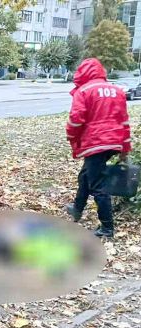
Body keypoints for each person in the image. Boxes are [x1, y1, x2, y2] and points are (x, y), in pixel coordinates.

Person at [65, 58, 131, 238]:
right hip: (113, 142)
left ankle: (107, 228)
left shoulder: (84, 91)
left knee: (97, 185)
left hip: (96, 143)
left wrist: (72, 138)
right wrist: (125, 148)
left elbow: (75, 121)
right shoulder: (117, 90)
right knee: (85, 175)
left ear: (82, 73)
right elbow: (124, 121)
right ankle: (77, 209)